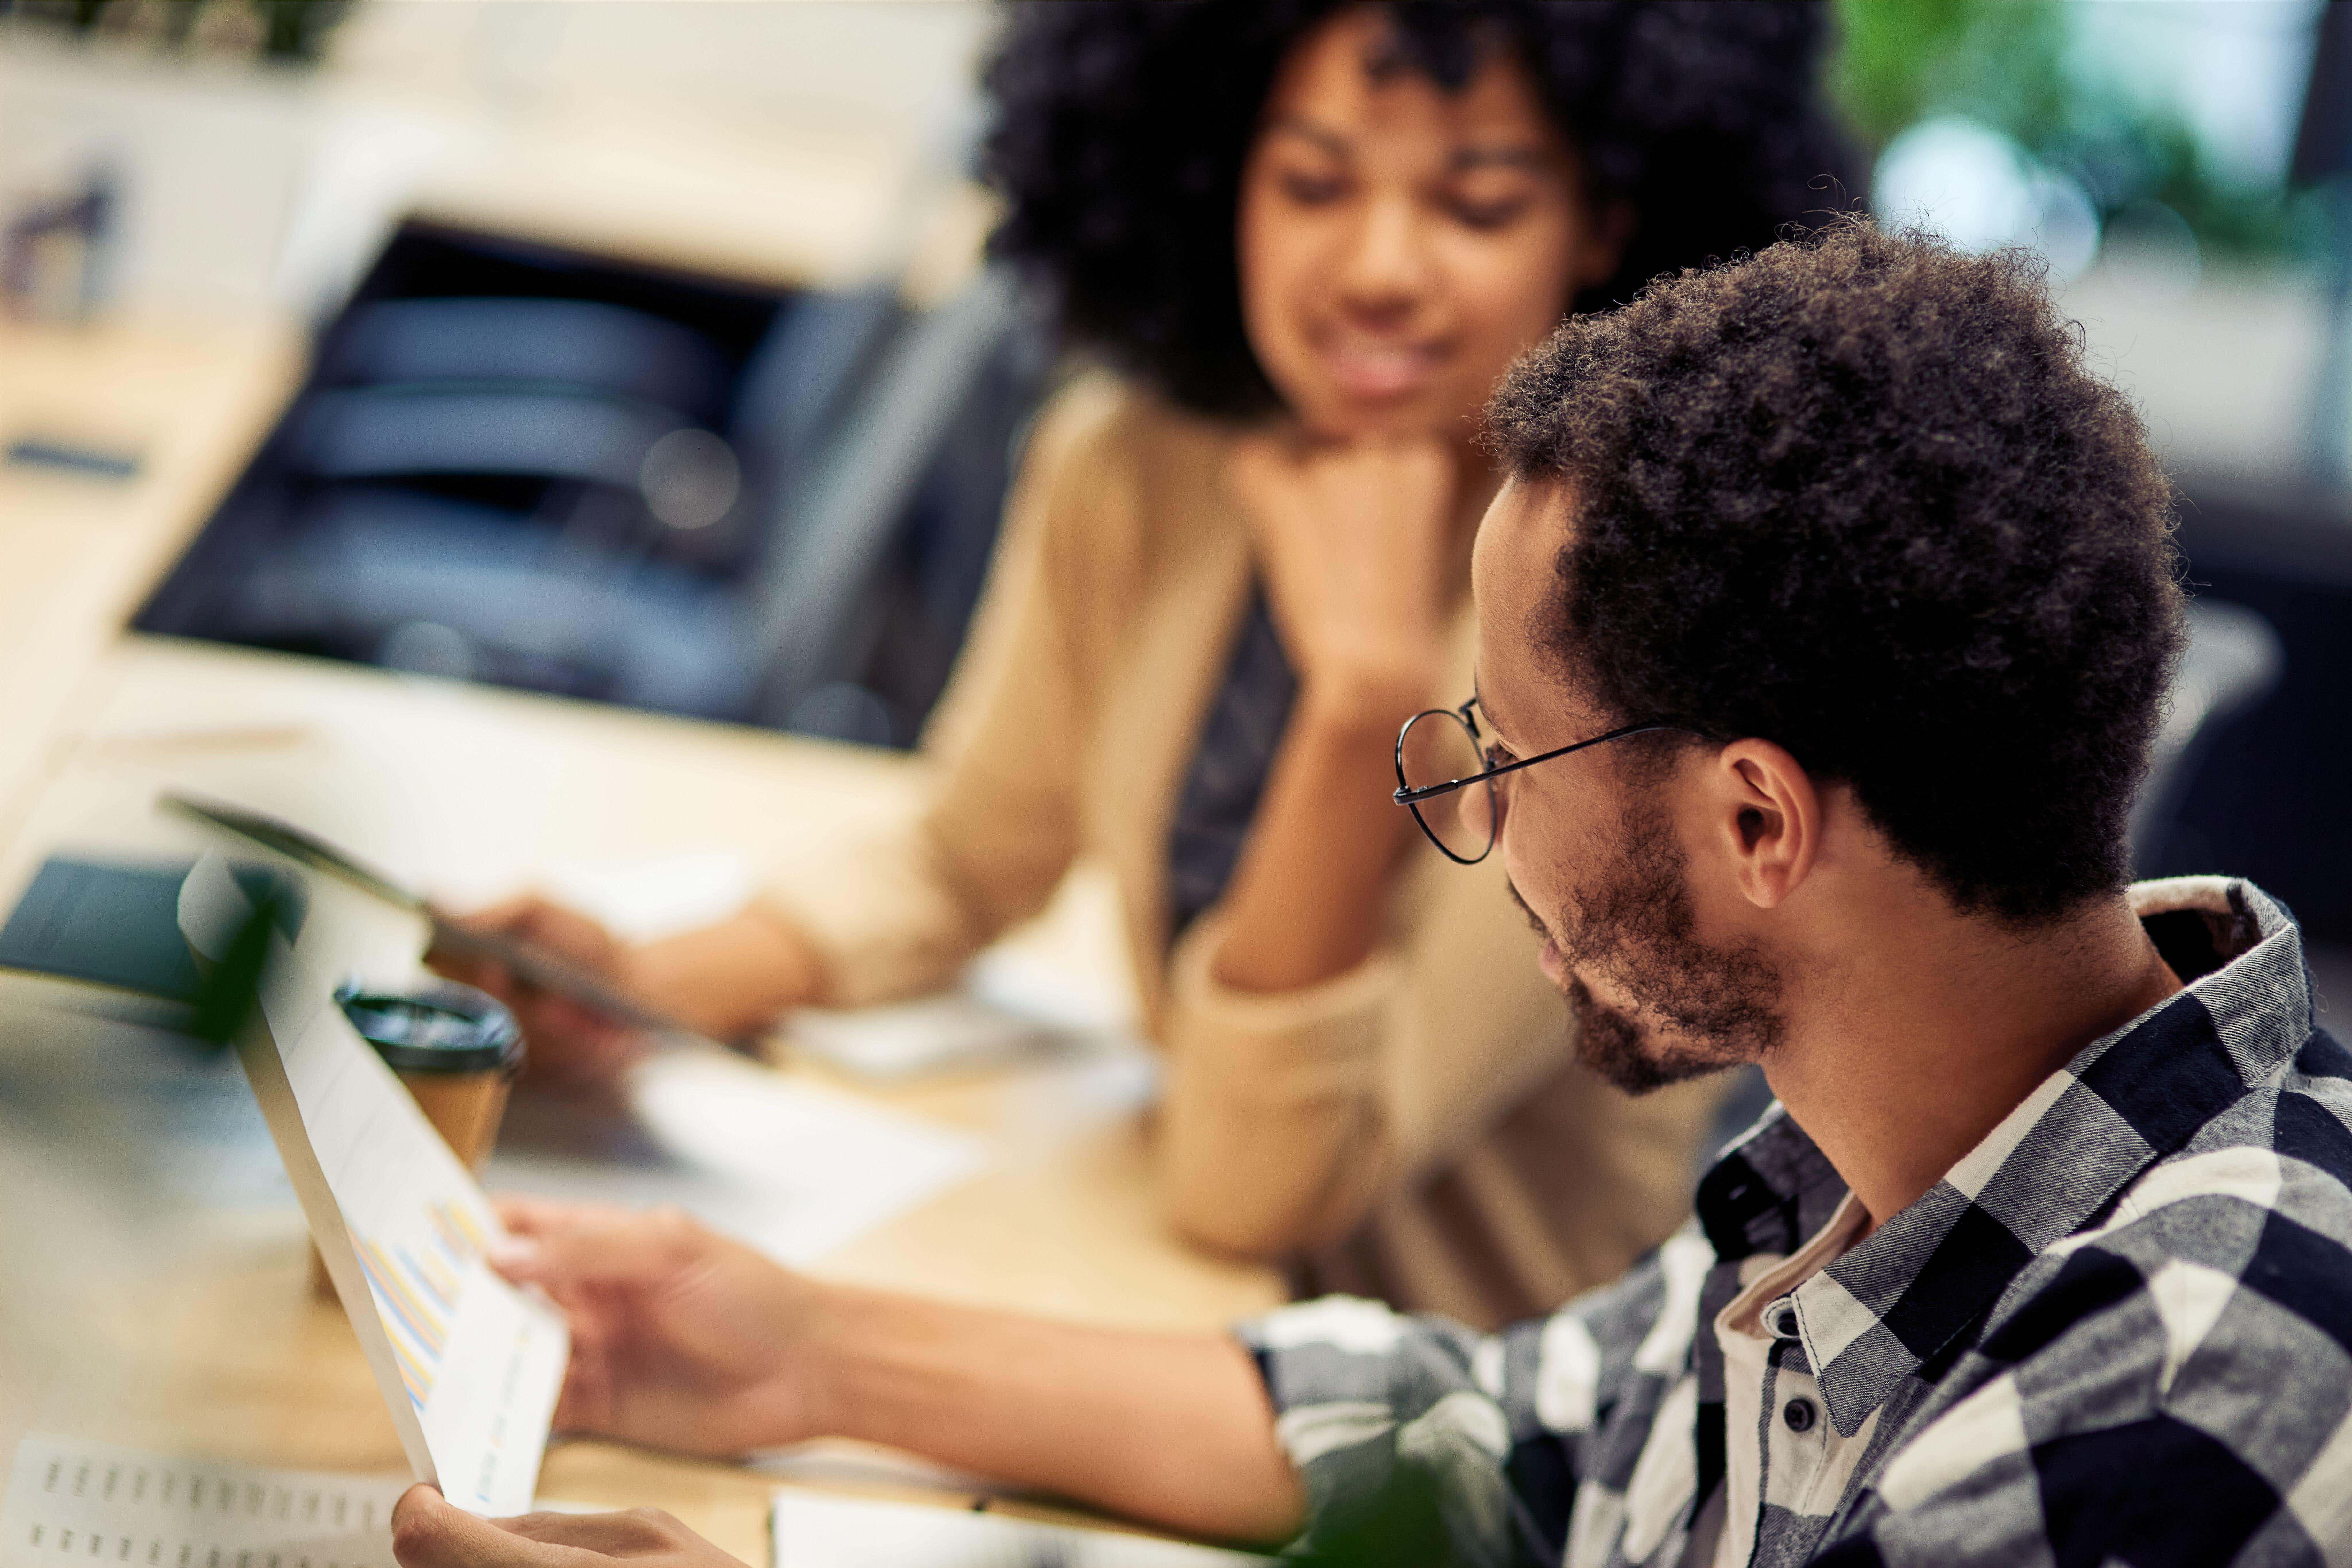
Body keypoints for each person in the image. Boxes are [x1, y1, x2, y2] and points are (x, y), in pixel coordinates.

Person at [388, 220, 2352, 1567]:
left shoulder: (2176, 1384)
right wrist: (805, 1350)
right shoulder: (1902, 1156)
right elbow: (1517, 1430)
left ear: (1760, 823)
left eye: (1508, 752)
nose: (1478, 814)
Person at [436, 0, 1857, 1326]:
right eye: (1311, 184)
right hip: (1156, 1290)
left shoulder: (1633, 616)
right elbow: (961, 858)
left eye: (1473, 204)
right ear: (1213, 179)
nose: (1374, 265)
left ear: (1606, 223)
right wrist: (633, 985)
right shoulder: (1137, 464)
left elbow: (1271, 1186)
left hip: (1443, 1406)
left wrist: (1358, 700)